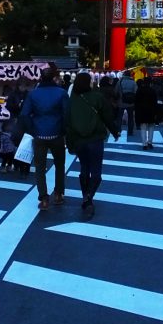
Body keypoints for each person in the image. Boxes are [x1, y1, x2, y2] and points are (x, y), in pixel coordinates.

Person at [66, 72, 121, 218]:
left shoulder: (72, 100)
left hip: (78, 140)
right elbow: (107, 116)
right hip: (95, 138)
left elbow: (68, 123)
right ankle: (88, 198)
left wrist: (69, 142)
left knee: (84, 168)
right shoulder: (97, 97)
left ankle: (86, 197)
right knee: (96, 172)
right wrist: (115, 131)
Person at [21, 67, 70, 210]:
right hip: (57, 134)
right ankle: (59, 194)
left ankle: (43, 198)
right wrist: (63, 130)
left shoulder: (33, 94)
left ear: (41, 78)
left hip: (39, 134)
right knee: (59, 165)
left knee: (40, 167)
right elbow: (67, 114)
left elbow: (24, 114)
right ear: (54, 78)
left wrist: (32, 129)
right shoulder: (61, 93)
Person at [135, 77, 159, 149]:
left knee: (143, 127)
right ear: (150, 83)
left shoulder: (139, 90)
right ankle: (150, 143)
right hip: (151, 111)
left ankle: (144, 144)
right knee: (151, 127)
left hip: (142, 111)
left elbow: (136, 102)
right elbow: (155, 102)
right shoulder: (152, 91)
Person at [118, 71, 138, 138]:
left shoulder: (120, 82)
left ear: (124, 75)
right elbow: (136, 91)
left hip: (121, 101)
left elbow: (116, 91)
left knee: (119, 117)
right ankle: (130, 131)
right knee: (131, 117)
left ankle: (118, 130)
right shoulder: (133, 82)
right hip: (130, 102)